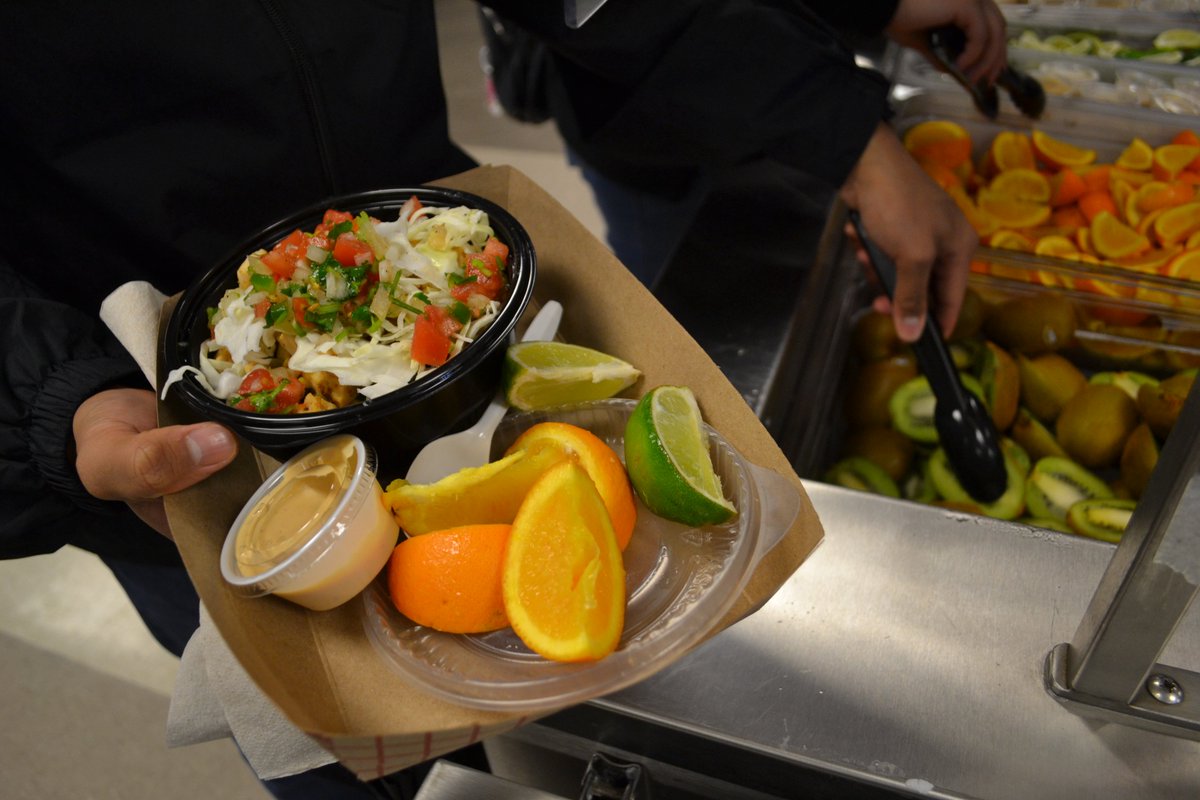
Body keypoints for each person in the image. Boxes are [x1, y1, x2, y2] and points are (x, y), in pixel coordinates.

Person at [0, 0, 1003, 796]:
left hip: (448, 313)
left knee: (576, 688)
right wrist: (55, 393)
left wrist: (838, 111)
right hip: (164, 438)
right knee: (365, 761)